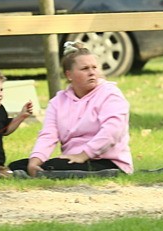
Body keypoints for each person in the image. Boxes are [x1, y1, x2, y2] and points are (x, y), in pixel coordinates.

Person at [9, 42, 133, 178]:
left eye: (94, 67)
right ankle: (41, 173)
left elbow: (112, 132)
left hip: (106, 161)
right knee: (18, 166)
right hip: (73, 160)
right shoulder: (58, 101)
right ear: (69, 75)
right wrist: (35, 161)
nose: (92, 72)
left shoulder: (110, 94)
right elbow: (48, 135)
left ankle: (107, 174)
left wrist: (84, 155)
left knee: (53, 167)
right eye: (85, 68)